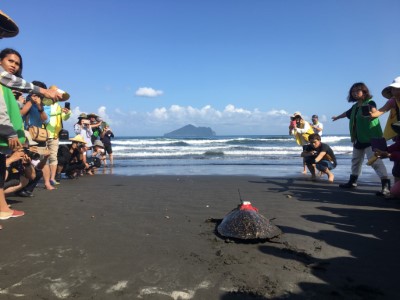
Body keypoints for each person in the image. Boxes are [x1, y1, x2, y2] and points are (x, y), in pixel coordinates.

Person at [332, 82, 390, 196]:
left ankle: (386, 186)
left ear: (364, 92)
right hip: (358, 138)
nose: (354, 93)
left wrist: (372, 113)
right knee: (356, 161)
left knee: (375, 161)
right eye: (352, 92)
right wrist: (337, 117)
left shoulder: (370, 102)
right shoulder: (354, 107)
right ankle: (352, 181)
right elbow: (346, 114)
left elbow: (374, 110)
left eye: (357, 91)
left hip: (371, 138)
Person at [20, 80, 55, 190]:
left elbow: (46, 120)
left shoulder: (46, 105)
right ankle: (24, 185)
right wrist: (30, 101)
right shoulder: (25, 101)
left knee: (44, 159)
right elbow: (21, 113)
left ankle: (47, 183)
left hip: (39, 135)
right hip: (26, 134)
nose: (34, 94)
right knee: (25, 159)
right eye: (32, 91)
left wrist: (40, 106)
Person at [370, 76, 400, 141]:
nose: (396, 92)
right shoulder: (393, 101)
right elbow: (382, 110)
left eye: (398, 89)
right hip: (398, 132)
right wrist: (372, 115)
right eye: (393, 89)